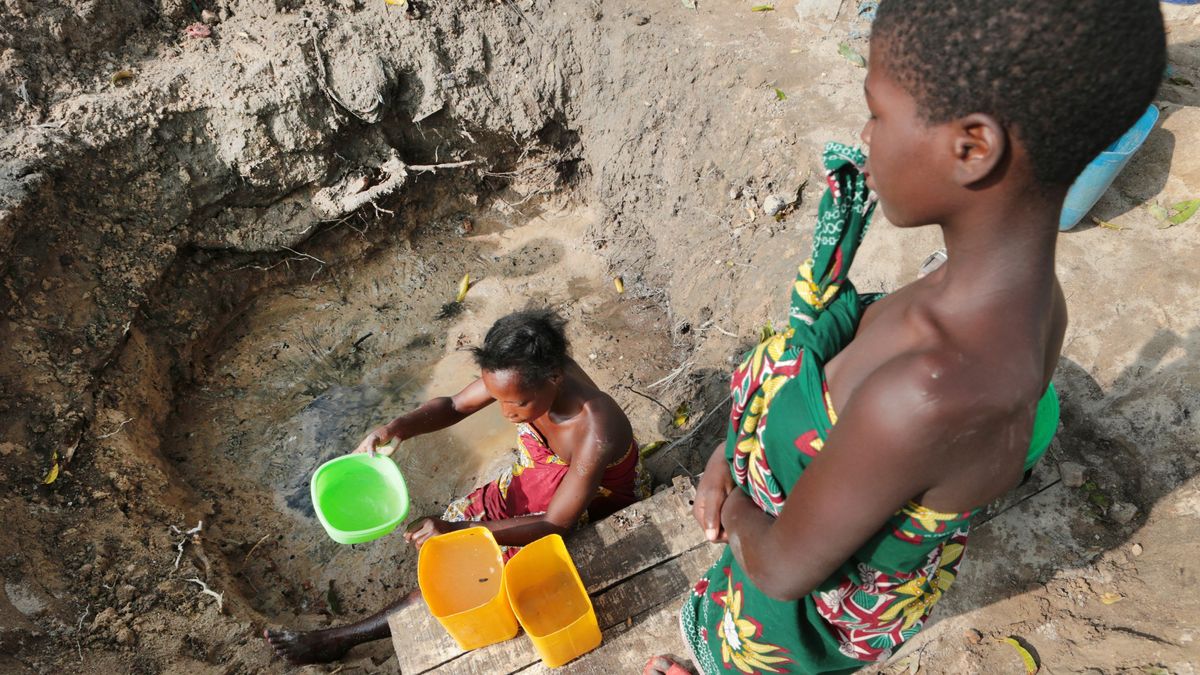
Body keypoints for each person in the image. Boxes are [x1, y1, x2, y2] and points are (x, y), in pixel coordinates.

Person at [646, 1, 1165, 673]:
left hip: (797, 603)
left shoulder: (926, 394)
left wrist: (738, 491)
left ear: (972, 147)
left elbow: (777, 568)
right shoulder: (1027, 300)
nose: (865, 133)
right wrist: (732, 456)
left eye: (879, 111)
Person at [266, 309, 650, 664]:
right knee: (457, 523)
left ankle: (342, 639)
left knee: (465, 566)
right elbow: (453, 406)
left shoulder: (596, 427)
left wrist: (457, 534)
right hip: (537, 482)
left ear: (554, 378)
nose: (504, 413)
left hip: (583, 511)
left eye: (515, 403)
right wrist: (396, 428)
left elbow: (554, 525)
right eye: (496, 398)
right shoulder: (523, 375)